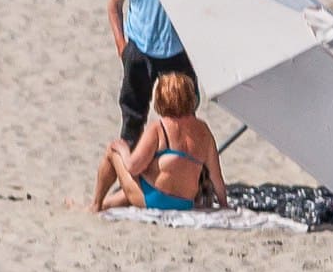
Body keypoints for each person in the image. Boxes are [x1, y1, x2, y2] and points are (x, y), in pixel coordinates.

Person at [108, 0, 194, 143]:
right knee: (133, 117)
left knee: (183, 116)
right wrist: (122, 46)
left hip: (175, 51)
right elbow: (114, 6)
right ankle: (130, 174)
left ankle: (190, 174)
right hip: (139, 50)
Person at [91, 71, 230, 213]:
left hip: (154, 199)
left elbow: (133, 167)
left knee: (113, 150)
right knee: (138, 184)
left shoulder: (159, 127)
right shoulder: (203, 130)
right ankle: (103, 206)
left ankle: (95, 205)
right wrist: (224, 206)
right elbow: (216, 177)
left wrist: (122, 149)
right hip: (185, 203)